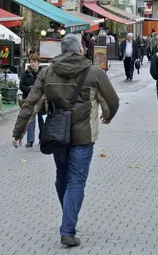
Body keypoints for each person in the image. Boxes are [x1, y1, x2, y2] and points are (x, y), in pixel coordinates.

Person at [12, 34, 119, 248]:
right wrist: (108, 115)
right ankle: (68, 229)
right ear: (80, 49)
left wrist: (19, 131)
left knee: (62, 177)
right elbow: (112, 100)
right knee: (77, 181)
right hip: (84, 137)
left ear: (60, 51)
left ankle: (67, 217)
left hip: (57, 135)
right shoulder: (95, 73)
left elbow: (31, 103)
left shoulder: (47, 72)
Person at [19, 54, 44, 148]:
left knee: (42, 121)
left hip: (41, 100)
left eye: (34, 62)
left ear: (38, 63)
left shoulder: (43, 73)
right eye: (31, 62)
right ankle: (30, 140)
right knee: (30, 120)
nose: (33, 64)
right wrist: (30, 89)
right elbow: (21, 86)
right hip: (30, 100)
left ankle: (42, 139)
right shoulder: (26, 73)